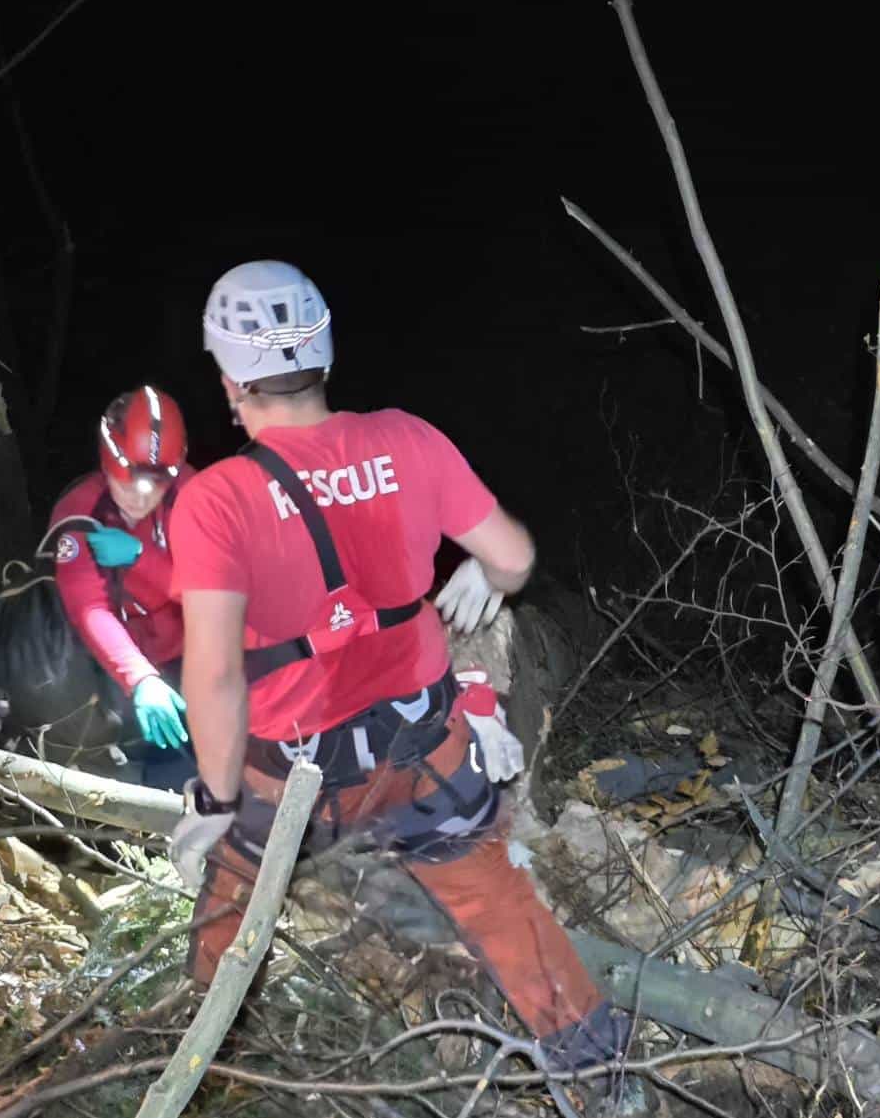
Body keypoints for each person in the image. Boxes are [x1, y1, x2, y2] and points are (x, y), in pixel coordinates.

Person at [166, 260, 638, 1090]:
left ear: (230, 377)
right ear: (326, 353)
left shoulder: (218, 497)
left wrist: (212, 800)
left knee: (231, 908)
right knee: (500, 902)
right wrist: (489, 578)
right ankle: (608, 1075)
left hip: (294, 786)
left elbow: (212, 676)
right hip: (422, 755)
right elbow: (517, 557)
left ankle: (210, 1070)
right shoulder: (404, 438)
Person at [46, 385, 199, 789]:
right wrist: (140, 678)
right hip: (114, 661)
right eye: (129, 480)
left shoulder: (193, 496)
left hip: (190, 649)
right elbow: (88, 608)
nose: (142, 496)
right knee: (143, 750)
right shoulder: (79, 513)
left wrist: (140, 559)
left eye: (156, 483)